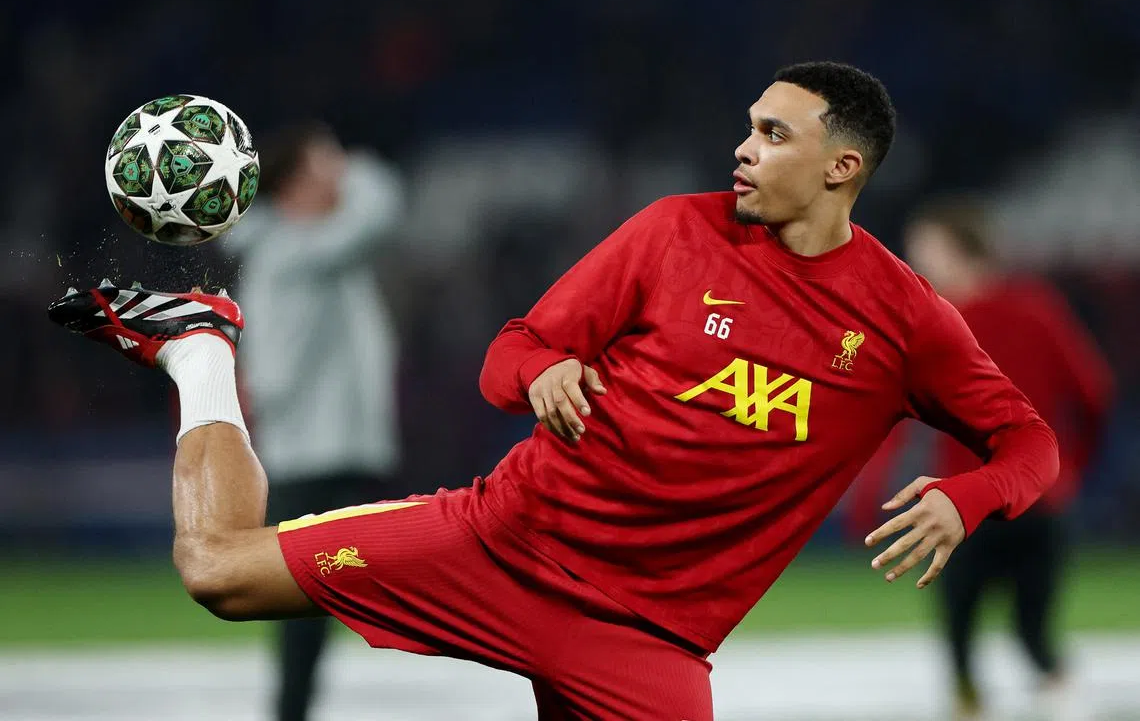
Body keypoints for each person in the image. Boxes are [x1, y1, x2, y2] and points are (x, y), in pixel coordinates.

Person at [49, 62, 1059, 720]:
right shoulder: (675, 232)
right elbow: (512, 352)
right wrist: (543, 369)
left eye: (773, 134)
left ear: (843, 167)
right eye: (748, 127)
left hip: (649, 638)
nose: (744, 148)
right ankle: (201, 351)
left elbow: (1027, 442)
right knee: (217, 572)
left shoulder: (903, 318)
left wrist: (967, 495)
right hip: (502, 543)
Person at [846, 198, 1114, 719]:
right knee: (1034, 634)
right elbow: (1094, 393)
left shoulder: (935, 324)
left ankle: (972, 706)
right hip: (1039, 499)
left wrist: (866, 498)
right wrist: (1073, 469)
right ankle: (1067, 703)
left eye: (925, 248)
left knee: (959, 642)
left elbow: (891, 421)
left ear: (957, 249)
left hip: (967, 505)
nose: (916, 262)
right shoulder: (1037, 308)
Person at [221, 122, 405, 721]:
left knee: (315, 600)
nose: (339, 174)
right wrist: (357, 170)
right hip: (310, 454)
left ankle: (292, 712)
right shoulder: (295, 253)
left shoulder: (299, 249)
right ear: (294, 183)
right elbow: (378, 212)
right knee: (312, 599)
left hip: (321, 450)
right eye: (326, 162)